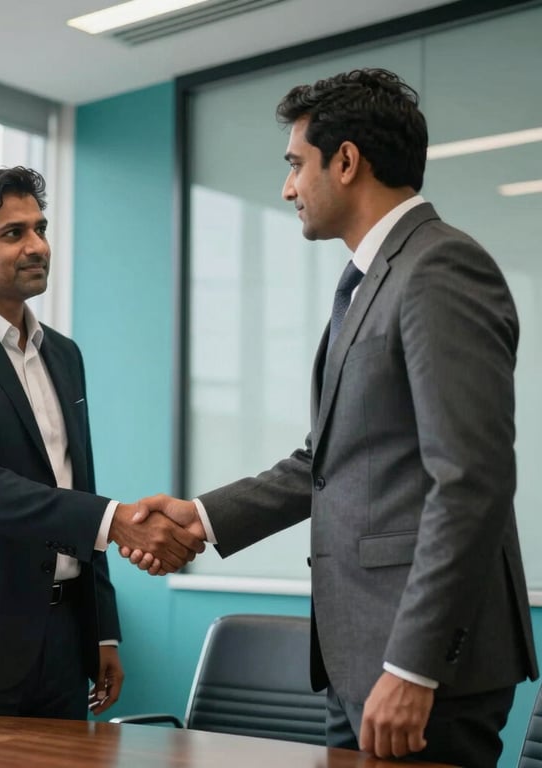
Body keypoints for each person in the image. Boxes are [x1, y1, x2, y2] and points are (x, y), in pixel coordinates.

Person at [127, 69, 538, 767]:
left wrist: (413, 667)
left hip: (419, 666)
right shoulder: (373, 280)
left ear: (345, 162)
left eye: (295, 165)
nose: (288, 187)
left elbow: (471, 481)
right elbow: (327, 460)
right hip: (358, 657)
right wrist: (202, 515)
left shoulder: (440, 268)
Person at [0, 166, 203, 718]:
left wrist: (103, 632)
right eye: (13, 234)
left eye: (41, 228)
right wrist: (116, 519)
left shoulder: (63, 354)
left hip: (61, 644)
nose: (37, 246)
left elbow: (78, 487)